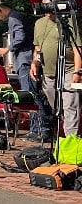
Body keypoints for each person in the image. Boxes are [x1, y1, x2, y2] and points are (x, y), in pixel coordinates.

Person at [29, 10, 82, 140]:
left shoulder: (68, 21)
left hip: (69, 70)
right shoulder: (39, 24)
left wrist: (77, 71)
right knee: (58, 108)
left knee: (70, 105)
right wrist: (35, 63)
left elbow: (78, 48)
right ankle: (65, 134)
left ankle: (71, 142)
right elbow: (38, 48)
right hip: (49, 74)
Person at [0, 0, 35, 98]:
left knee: (29, 95)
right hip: (26, 58)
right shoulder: (17, 16)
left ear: (0, 10)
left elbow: (20, 37)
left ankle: (39, 113)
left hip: (24, 60)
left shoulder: (13, 18)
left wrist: (6, 49)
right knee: (32, 94)